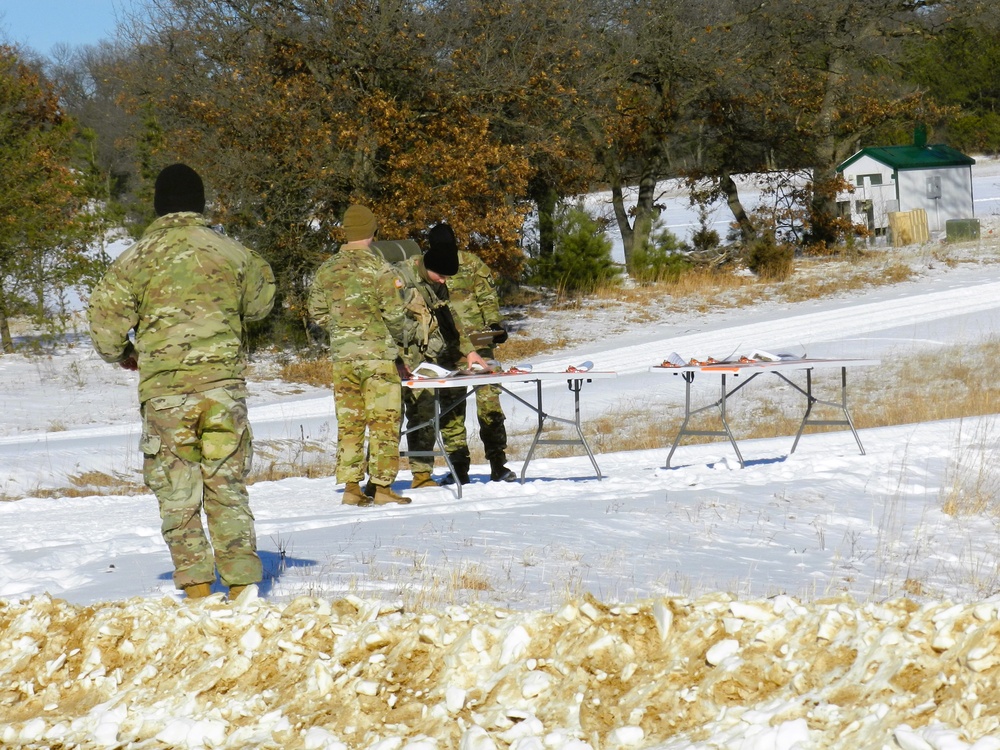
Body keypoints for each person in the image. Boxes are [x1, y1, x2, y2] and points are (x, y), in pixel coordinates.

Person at [88, 163, 276, 601]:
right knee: (225, 484)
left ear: (158, 205)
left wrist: (128, 355)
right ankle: (243, 585)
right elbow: (261, 305)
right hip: (222, 389)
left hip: (166, 396)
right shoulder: (234, 253)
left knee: (177, 491)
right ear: (199, 203)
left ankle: (195, 587)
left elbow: (105, 329)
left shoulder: (133, 260)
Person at [307, 204, 413, 507]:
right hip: (378, 356)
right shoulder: (381, 269)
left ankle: (352, 489)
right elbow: (394, 316)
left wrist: (343, 330)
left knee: (350, 422)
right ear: (372, 232)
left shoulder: (327, 269)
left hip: (343, 358)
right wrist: (395, 347)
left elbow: (316, 312)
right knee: (384, 421)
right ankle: (381, 488)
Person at [396, 223, 489, 488]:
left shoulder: (438, 282)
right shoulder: (400, 278)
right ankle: (380, 481)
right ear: (428, 266)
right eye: (441, 276)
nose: (444, 281)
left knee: (428, 414)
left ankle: (423, 476)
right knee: (399, 419)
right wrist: (396, 359)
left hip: (428, 358)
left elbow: (449, 316)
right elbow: (384, 322)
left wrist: (468, 350)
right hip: (400, 357)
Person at [435, 225, 517, 483]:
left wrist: (494, 325)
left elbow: (487, 299)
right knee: (451, 407)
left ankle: (498, 462)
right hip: (447, 348)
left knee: (490, 403)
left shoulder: (471, 264)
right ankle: (458, 466)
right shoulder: (429, 268)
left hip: (479, 347)